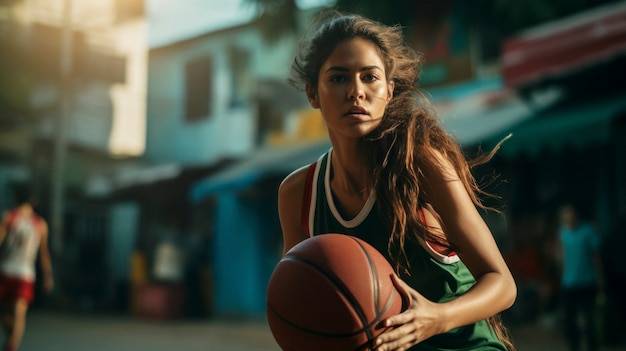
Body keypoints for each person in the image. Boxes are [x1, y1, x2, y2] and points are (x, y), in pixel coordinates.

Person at [277, 11, 517, 351]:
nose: (356, 92)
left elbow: (503, 284)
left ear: (389, 91)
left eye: (369, 77)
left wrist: (435, 318)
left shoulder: (419, 164)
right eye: (338, 78)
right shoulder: (298, 193)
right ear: (312, 93)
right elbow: (301, 300)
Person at [0, 187, 54, 351]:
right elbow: (44, 254)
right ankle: (11, 340)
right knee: (12, 314)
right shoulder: (17, 218)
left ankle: (11, 346)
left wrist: (46, 275)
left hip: (16, 272)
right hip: (16, 271)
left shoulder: (13, 217)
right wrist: (47, 276)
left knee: (16, 311)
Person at [556, 204, 603, 351]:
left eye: (569, 213)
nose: (567, 217)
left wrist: (600, 278)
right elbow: (562, 257)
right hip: (569, 283)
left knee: (589, 321)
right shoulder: (563, 233)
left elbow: (595, 257)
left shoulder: (587, 231)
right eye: (565, 214)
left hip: (587, 282)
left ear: (575, 215)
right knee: (570, 321)